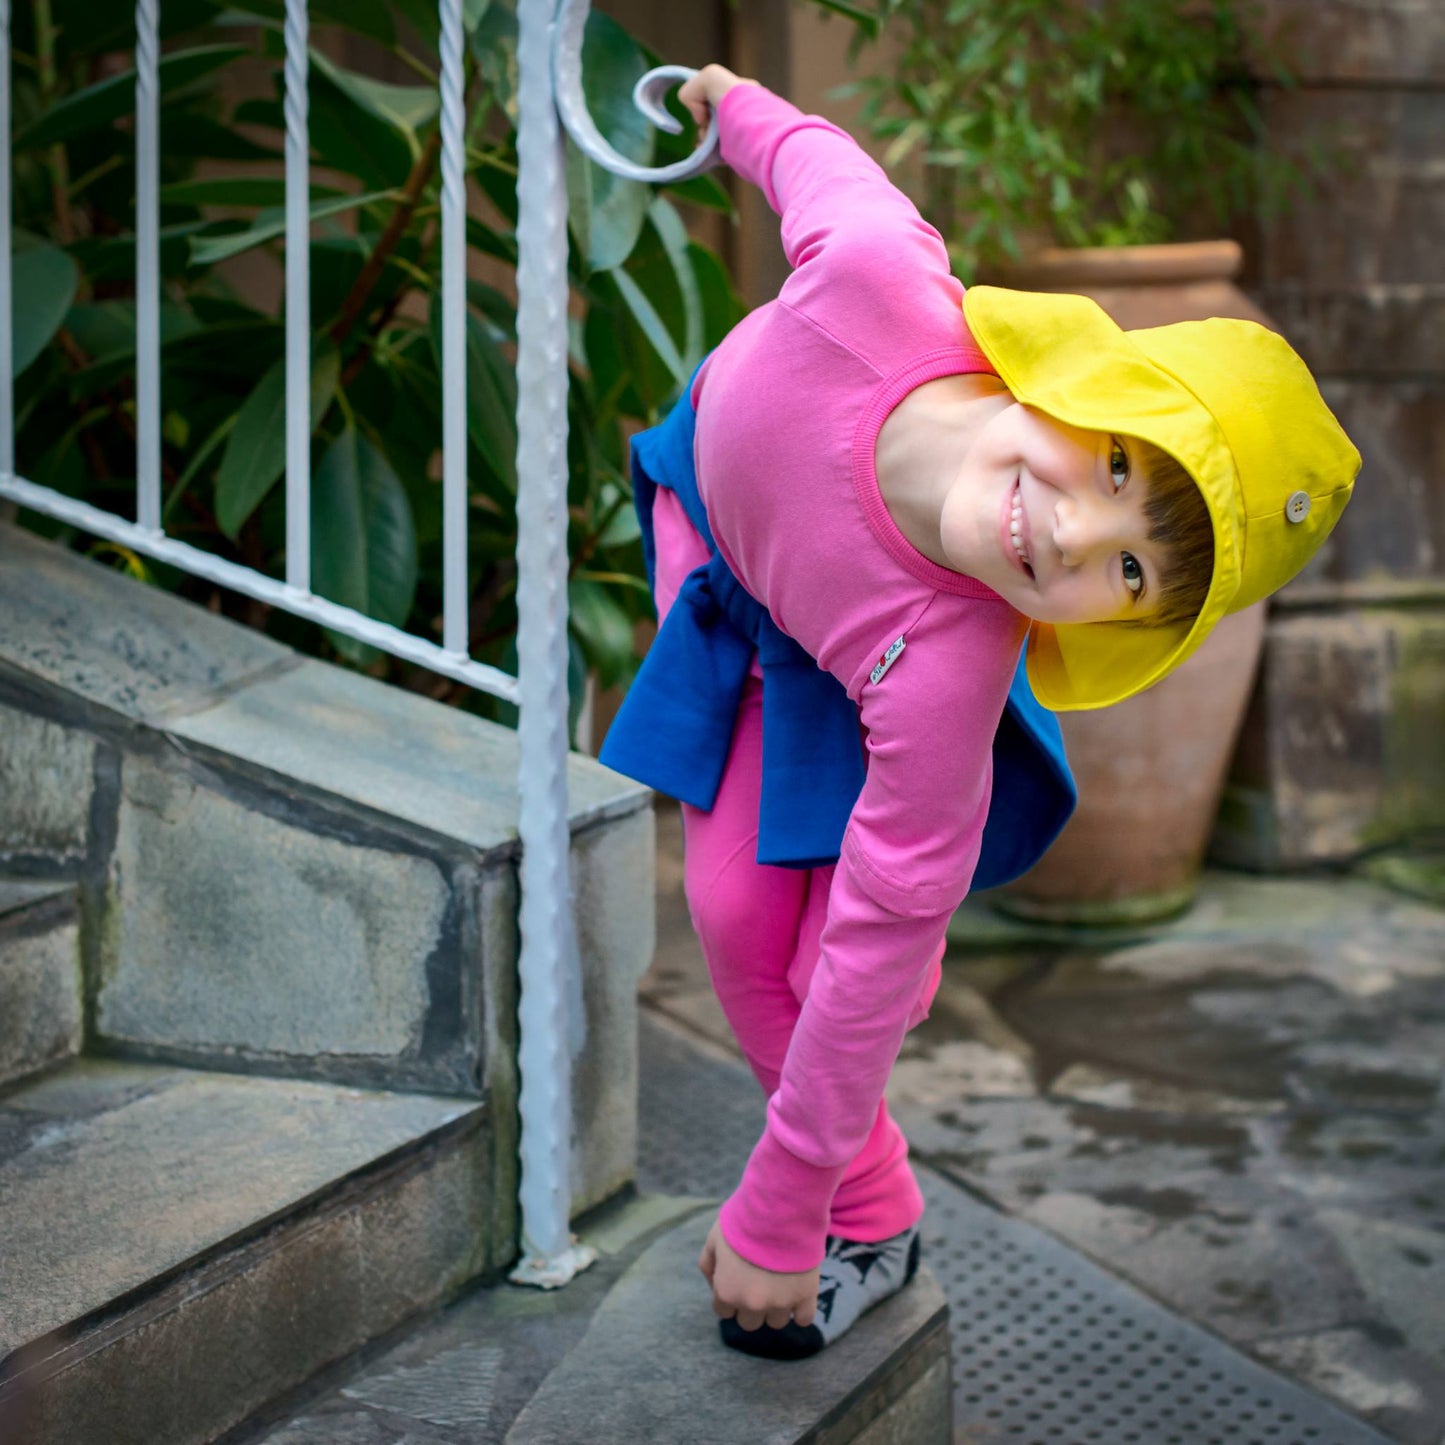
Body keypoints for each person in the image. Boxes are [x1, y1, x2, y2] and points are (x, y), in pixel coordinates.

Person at [600, 63, 1360, 1361]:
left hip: (856, 663)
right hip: (725, 558)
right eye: (1115, 462)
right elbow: (806, 155)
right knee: (731, 914)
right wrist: (725, 109)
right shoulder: (875, 279)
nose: (1072, 529)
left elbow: (877, 925)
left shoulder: (947, 667)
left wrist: (779, 1210)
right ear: (1080, 390)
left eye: (1128, 570)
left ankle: (865, 1213)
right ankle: (877, 1200)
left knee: (830, 957)